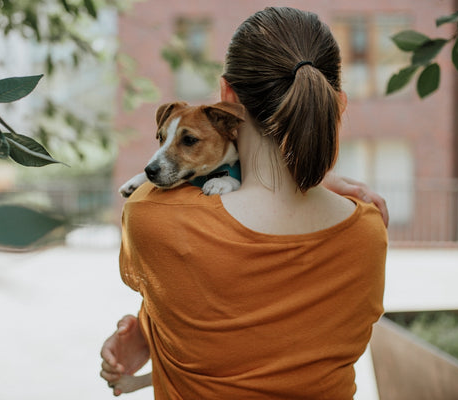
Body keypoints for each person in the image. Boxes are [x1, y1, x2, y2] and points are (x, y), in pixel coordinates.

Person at [101, 6, 388, 399]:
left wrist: (147, 336)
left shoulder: (154, 216)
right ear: (336, 103)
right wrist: (322, 177)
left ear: (227, 95)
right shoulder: (368, 230)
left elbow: (176, 290)